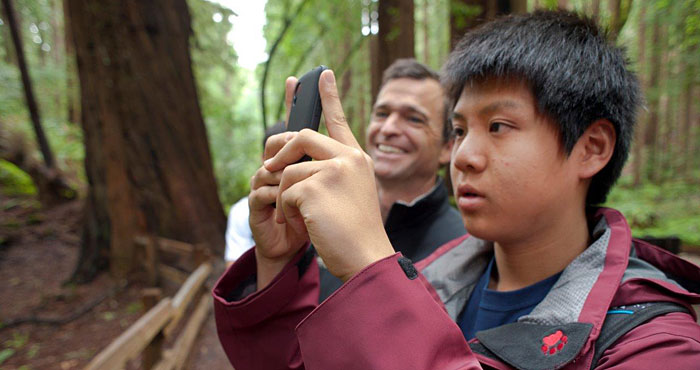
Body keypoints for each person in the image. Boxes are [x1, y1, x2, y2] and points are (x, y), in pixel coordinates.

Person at [213, 10, 700, 370]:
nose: (465, 155)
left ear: (591, 148)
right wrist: (278, 263)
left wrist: (368, 267)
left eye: (500, 125)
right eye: (462, 129)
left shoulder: (655, 342)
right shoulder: (433, 279)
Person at [317, 59, 465, 300]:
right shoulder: (329, 221)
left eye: (414, 119)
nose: (388, 128)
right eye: (382, 113)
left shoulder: (463, 250)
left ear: (447, 148)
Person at [224, 121, 285, 265]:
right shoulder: (242, 211)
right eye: (278, 155)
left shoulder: (316, 206)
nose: (284, 163)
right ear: (264, 158)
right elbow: (233, 269)